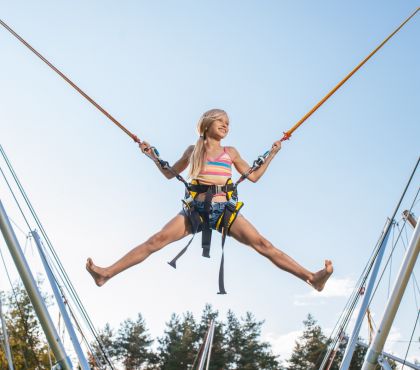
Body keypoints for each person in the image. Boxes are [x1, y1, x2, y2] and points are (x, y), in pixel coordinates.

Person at [86, 109, 333, 291]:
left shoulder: (231, 152)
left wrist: (273, 153)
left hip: (224, 209)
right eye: (221, 121)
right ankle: (106, 273)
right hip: (195, 210)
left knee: (262, 244)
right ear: (206, 124)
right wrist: (152, 156)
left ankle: (311, 278)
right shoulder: (192, 151)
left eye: (228, 123)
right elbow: (169, 173)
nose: (226, 126)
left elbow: (254, 175)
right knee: (156, 241)